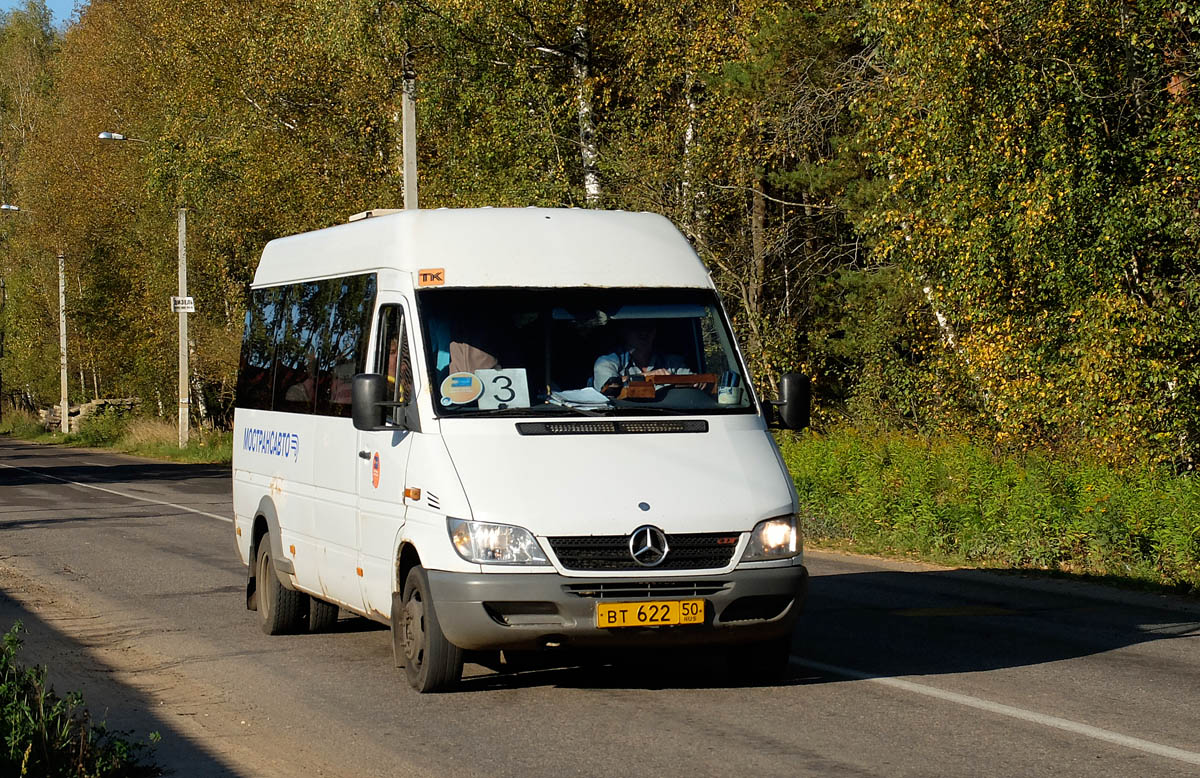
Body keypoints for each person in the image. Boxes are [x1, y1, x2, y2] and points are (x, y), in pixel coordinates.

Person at [592, 320, 691, 391]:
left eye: (649, 327)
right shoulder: (606, 362)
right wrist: (646, 377)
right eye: (636, 327)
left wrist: (699, 383)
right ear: (624, 332)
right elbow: (608, 387)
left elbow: (693, 383)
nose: (644, 332)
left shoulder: (674, 363)